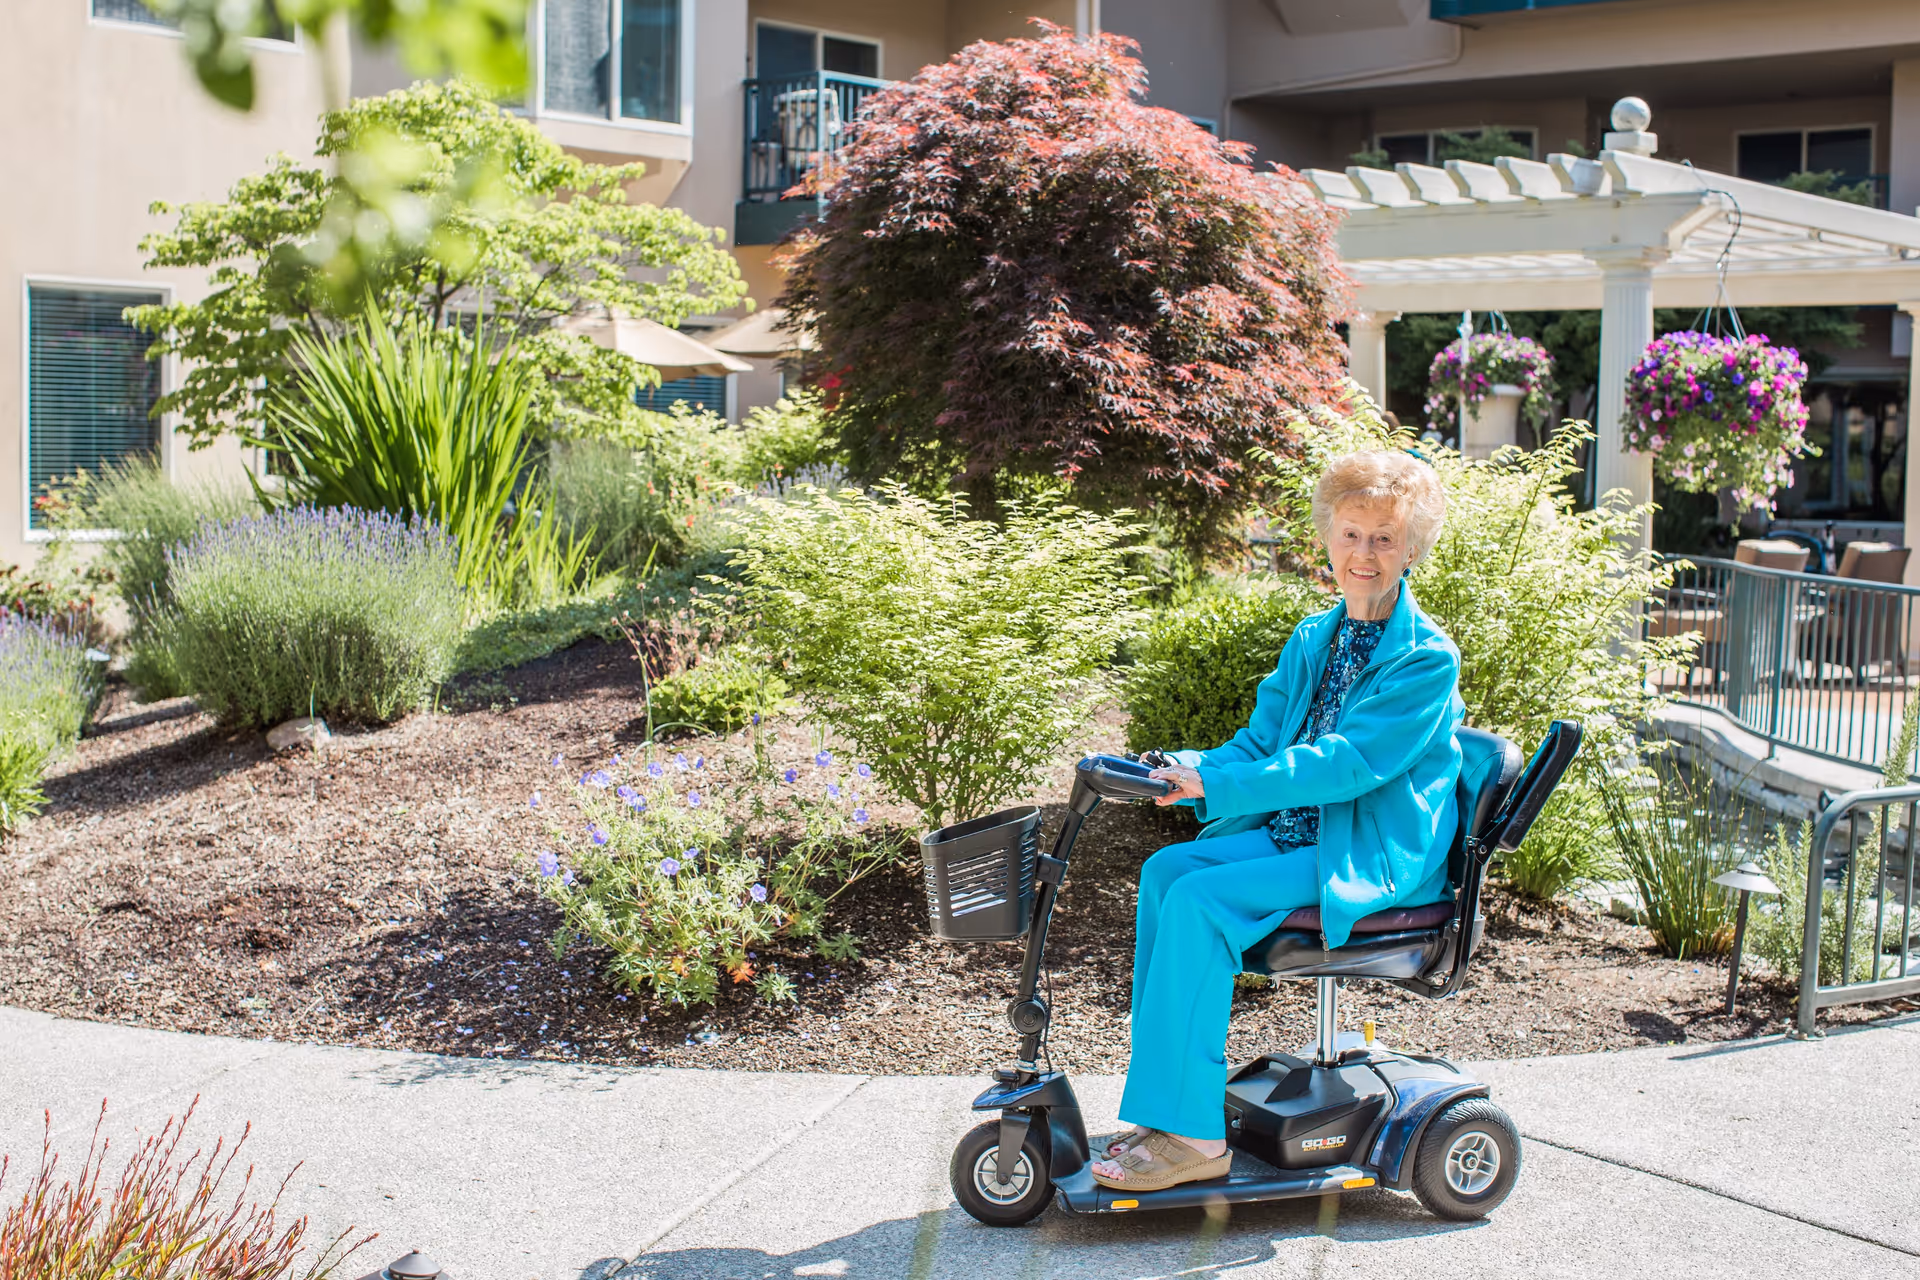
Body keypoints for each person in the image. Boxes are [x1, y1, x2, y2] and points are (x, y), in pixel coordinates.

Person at [1091, 449, 1464, 1193]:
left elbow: (1346, 764)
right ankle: (1170, 1110)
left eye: (1384, 538)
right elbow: (1261, 746)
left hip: (1363, 849)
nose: (1365, 553)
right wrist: (1180, 766)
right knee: (1166, 872)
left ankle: (1198, 1139)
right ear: (1328, 538)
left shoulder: (1427, 659)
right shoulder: (1314, 638)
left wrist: (1221, 783)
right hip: (1302, 833)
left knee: (1202, 902)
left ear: (1412, 548)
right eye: (1352, 534)